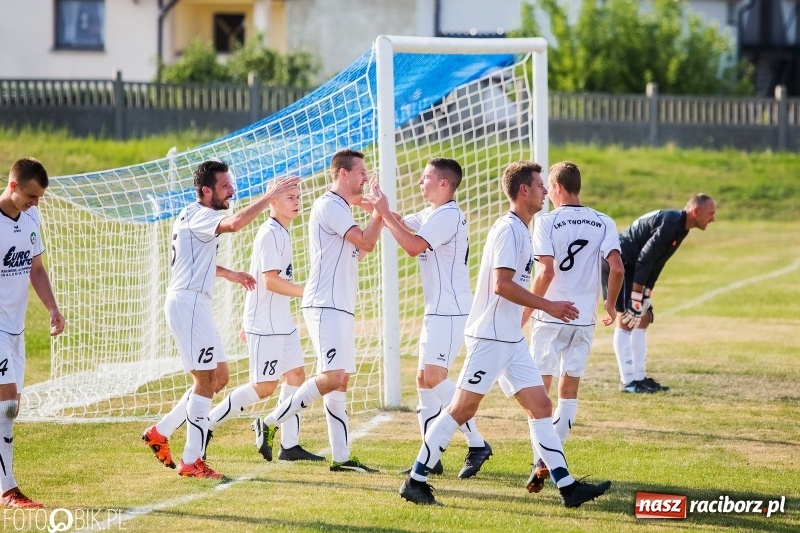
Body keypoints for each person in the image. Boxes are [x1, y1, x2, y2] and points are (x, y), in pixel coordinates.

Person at [399, 161, 611, 507]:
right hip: (490, 337)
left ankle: (568, 488)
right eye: (540, 185)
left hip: (510, 338)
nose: (545, 191)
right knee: (462, 408)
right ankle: (416, 479)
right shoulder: (508, 230)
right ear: (523, 190)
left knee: (541, 405)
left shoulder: (522, 230)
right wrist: (548, 306)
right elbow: (501, 285)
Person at [142, 160, 299, 478]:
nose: (233, 190)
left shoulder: (193, 214)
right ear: (206, 190)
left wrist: (230, 274)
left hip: (196, 304)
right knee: (204, 382)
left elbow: (194, 261)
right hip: (187, 305)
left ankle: (161, 431)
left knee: (220, 378)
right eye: (226, 186)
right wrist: (269, 198)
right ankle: (191, 461)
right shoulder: (203, 214)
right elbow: (236, 224)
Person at [253, 149, 383, 473]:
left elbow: (357, 252)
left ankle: (341, 458)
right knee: (333, 376)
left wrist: (374, 217)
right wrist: (380, 214)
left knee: (341, 381)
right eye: (361, 172)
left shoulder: (341, 209)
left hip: (339, 306)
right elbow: (366, 242)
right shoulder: (330, 205)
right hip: (324, 305)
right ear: (343, 174)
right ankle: (270, 422)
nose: (365, 178)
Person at [371, 158, 491, 479]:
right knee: (423, 379)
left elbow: (412, 246)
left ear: (444, 184)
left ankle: (477, 443)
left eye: (425, 178)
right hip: (437, 310)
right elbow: (400, 221)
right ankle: (431, 455)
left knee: (435, 377)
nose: (420, 183)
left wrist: (383, 213)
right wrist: (370, 201)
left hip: (451, 311)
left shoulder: (448, 216)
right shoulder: (432, 213)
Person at [519, 161, 624, 493]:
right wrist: (610, 303)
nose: (546, 194)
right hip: (583, 318)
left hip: (550, 315)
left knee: (539, 393)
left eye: (548, 188)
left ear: (558, 188)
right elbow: (617, 268)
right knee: (569, 392)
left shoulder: (546, 221)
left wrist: (526, 310)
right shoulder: (603, 220)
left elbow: (545, 272)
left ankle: (543, 460)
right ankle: (544, 462)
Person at [203, 181, 324, 462]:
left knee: (296, 376)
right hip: (266, 324)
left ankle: (290, 446)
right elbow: (269, 281)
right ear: (272, 202)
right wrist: (308, 292)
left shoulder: (283, 232)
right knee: (264, 387)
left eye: (298, 196)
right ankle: (206, 424)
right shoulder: (269, 234)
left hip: (282, 321)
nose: (296, 201)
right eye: (289, 197)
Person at [0, 158, 66, 508]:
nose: (35, 203)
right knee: (6, 406)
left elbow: (36, 269)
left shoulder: (31, 217)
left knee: (11, 408)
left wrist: (53, 309)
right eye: (30, 196)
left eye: (39, 198)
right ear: (12, 186)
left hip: (16, 329)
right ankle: (8, 490)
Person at [603, 194, 716, 393]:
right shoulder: (672, 223)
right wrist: (637, 298)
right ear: (696, 211)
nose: (713, 219)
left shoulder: (681, 227)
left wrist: (646, 294)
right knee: (627, 318)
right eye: (711, 213)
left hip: (632, 266)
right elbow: (645, 259)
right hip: (620, 263)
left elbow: (657, 262)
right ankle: (628, 382)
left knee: (643, 318)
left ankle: (639, 377)